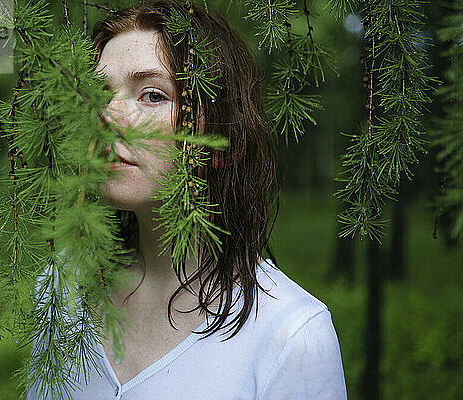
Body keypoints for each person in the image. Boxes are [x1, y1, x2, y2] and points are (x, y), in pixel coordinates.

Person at [28, 1, 347, 399]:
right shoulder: (62, 288)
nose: (107, 115)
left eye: (151, 95)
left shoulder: (292, 335)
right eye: (98, 92)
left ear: (219, 132)